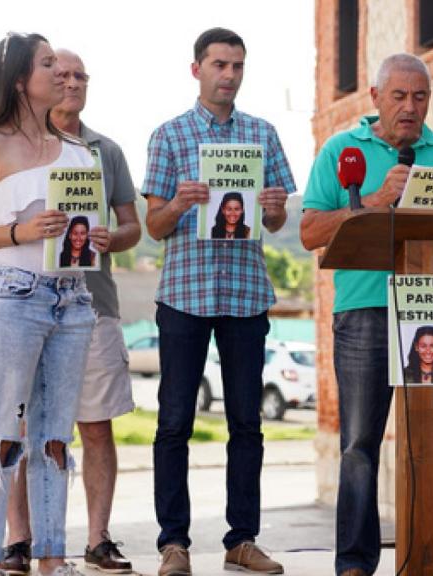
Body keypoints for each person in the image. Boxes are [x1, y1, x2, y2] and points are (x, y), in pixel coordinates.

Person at [301, 52, 433, 576]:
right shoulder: (341, 150)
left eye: (420, 97)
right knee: (358, 445)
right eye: (399, 96)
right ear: (375, 98)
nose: (410, 107)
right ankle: (354, 562)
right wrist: (372, 201)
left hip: (430, 312)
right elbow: (308, 232)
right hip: (365, 311)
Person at [143, 27, 294, 576]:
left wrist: (275, 206)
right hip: (184, 295)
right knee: (174, 422)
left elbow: (275, 221)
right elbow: (154, 227)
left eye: (237, 66)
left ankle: (242, 539)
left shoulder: (263, 133)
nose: (228, 75)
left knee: (246, 425)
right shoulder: (169, 136)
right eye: (219, 65)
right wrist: (181, 202)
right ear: (197, 69)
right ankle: (173, 544)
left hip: (246, 295)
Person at [0, 33, 96, 576]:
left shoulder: (81, 152)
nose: (61, 71)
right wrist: (19, 230)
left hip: (73, 298)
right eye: (48, 63)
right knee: (1, 436)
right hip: (11, 298)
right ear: (18, 79)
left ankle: (53, 557)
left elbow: (88, 226)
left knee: (55, 437)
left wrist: (95, 240)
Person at [2, 48, 142, 576]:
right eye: (60, 74)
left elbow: (134, 226)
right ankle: (20, 540)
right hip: (26, 300)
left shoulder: (106, 151)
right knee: (17, 426)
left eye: (80, 75)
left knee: (96, 426)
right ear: (38, 82)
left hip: (93, 305)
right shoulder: (20, 147)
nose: (71, 82)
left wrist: (113, 237)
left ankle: (98, 539)